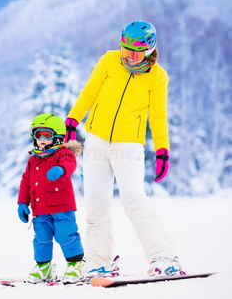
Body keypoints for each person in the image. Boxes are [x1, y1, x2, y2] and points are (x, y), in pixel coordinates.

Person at [65, 21, 182, 277]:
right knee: (96, 203)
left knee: (134, 200)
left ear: (150, 50)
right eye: (126, 49)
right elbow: (90, 93)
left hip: (128, 145)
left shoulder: (157, 76)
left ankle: (163, 256)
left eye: (138, 51)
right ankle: (98, 260)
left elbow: (159, 116)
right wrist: (73, 120)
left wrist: (162, 150)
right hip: (96, 141)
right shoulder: (109, 61)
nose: (131, 55)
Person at [17, 113, 84, 284]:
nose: (41, 139)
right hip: (40, 210)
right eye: (38, 134)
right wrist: (23, 203)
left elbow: (70, 163)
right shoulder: (33, 160)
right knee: (41, 238)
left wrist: (61, 169)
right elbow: (26, 182)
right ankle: (43, 268)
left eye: (46, 134)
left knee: (66, 235)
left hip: (61, 206)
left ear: (58, 136)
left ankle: (75, 265)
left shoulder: (63, 153)